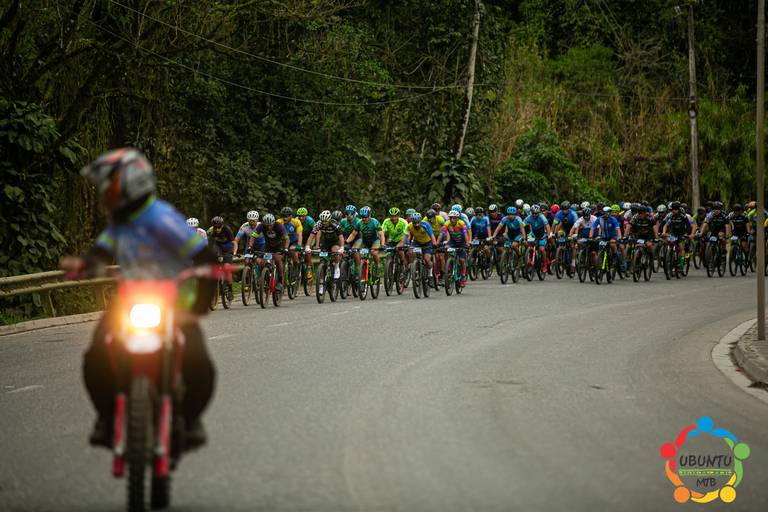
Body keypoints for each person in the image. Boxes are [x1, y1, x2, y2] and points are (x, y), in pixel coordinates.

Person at [62, 148, 217, 449]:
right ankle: (107, 418)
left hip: (174, 300)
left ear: (131, 184)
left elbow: (205, 258)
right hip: (129, 299)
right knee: (95, 356)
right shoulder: (120, 223)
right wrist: (85, 263)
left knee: (198, 360)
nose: (104, 194)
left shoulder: (163, 219)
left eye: (109, 187)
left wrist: (198, 307)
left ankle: (191, 420)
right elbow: (101, 252)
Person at [254, 213, 289, 291]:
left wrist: (286, 248)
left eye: (270, 225)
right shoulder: (261, 226)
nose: (269, 227)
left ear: (274, 223)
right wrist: (250, 246)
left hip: (279, 246)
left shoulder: (279, 226)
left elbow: (287, 239)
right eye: (267, 225)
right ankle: (263, 278)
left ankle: (280, 282)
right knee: (262, 262)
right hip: (268, 246)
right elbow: (253, 236)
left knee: (278, 260)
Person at [437, 209, 470, 287]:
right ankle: (449, 268)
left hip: (462, 242)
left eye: (454, 218)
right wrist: (437, 243)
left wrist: (467, 243)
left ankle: (463, 276)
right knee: (447, 251)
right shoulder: (447, 223)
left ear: (457, 218)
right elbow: (442, 234)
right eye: (451, 218)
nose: (452, 219)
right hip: (452, 242)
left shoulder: (461, 223)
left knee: (462, 260)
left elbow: (465, 234)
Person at [208, 216, 235, 300]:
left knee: (227, 268)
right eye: (215, 227)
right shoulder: (210, 230)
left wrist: (234, 252)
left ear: (222, 225)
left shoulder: (227, 229)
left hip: (228, 249)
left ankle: (230, 289)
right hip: (218, 249)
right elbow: (207, 242)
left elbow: (234, 242)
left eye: (219, 227)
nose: (217, 229)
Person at [297, 207, 315, 279]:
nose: (301, 218)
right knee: (297, 251)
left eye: (303, 216)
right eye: (299, 216)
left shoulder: (310, 221)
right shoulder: (296, 220)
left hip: (310, 237)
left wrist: (317, 244)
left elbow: (317, 231)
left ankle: (309, 268)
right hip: (300, 238)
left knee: (307, 251)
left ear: (306, 216)